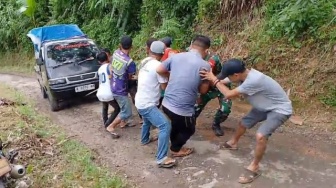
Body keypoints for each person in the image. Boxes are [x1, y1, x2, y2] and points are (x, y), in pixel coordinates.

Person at [199, 58, 293, 184]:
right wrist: (210, 78)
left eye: (229, 76)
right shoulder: (242, 75)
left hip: (279, 109)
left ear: (236, 75)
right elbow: (221, 81)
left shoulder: (254, 80)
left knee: (261, 136)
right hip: (264, 105)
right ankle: (233, 143)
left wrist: (214, 80)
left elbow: (228, 94)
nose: (228, 78)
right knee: (243, 123)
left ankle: (255, 166)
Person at [156, 35, 211, 157]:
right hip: (182, 110)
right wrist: (206, 80)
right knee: (189, 129)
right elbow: (203, 91)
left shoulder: (176, 57)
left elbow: (159, 69)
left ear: (191, 45)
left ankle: (173, 142)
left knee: (176, 124)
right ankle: (175, 149)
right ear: (207, 51)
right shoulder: (205, 65)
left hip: (166, 104)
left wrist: (172, 76)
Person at [135, 41, 177, 168]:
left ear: (150, 50)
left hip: (139, 100)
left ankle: (145, 139)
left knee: (147, 121)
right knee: (165, 125)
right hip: (147, 104)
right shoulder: (159, 66)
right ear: (163, 53)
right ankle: (161, 158)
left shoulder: (144, 61)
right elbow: (164, 87)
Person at [192, 49, 232, 136]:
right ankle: (190, 124)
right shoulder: (193, 58)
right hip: (206, 85)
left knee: (225, 110)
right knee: (195, 107)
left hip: (220, 84)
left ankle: (216, 124)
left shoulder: (212, 60)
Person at [105, 36, 137, 138]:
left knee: (124, 106)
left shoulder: (115, 53)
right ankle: (111, 126)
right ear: (131, 46)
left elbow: (111, 67)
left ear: (120, 45)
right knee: (127, 112)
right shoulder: (130, 62)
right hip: (121, 89)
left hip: (113, 85)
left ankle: (123, 123)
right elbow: (129, 77)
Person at [96, 51, 120, 128]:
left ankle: (105, 122)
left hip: (100, 92)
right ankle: (108, 124)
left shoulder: (99, 69)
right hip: (108, 92)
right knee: (117, 108)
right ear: (108, 58)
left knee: (105, 107)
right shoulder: (110, 66)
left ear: (99, 61)